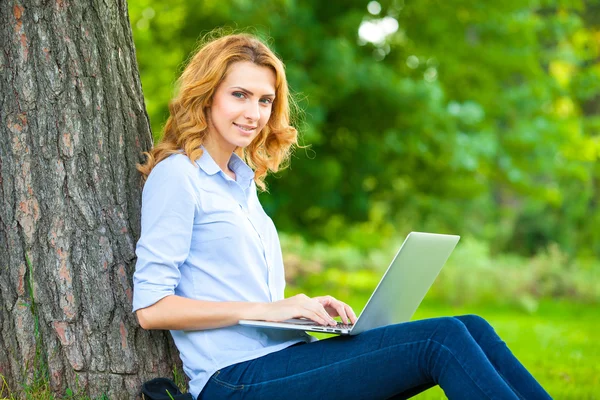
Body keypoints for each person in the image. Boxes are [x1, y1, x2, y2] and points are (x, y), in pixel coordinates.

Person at [132, 33, 552, 400]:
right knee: (439, 340)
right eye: (239, 95)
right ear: (207, 95)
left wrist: (299, 309)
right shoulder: (178, 176)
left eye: (265, 100)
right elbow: (152, 308)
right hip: (234, 381)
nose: (254, 113)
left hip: (286, 357)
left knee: (471, 326)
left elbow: (235, 290)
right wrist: (269, 309)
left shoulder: (241, 183)